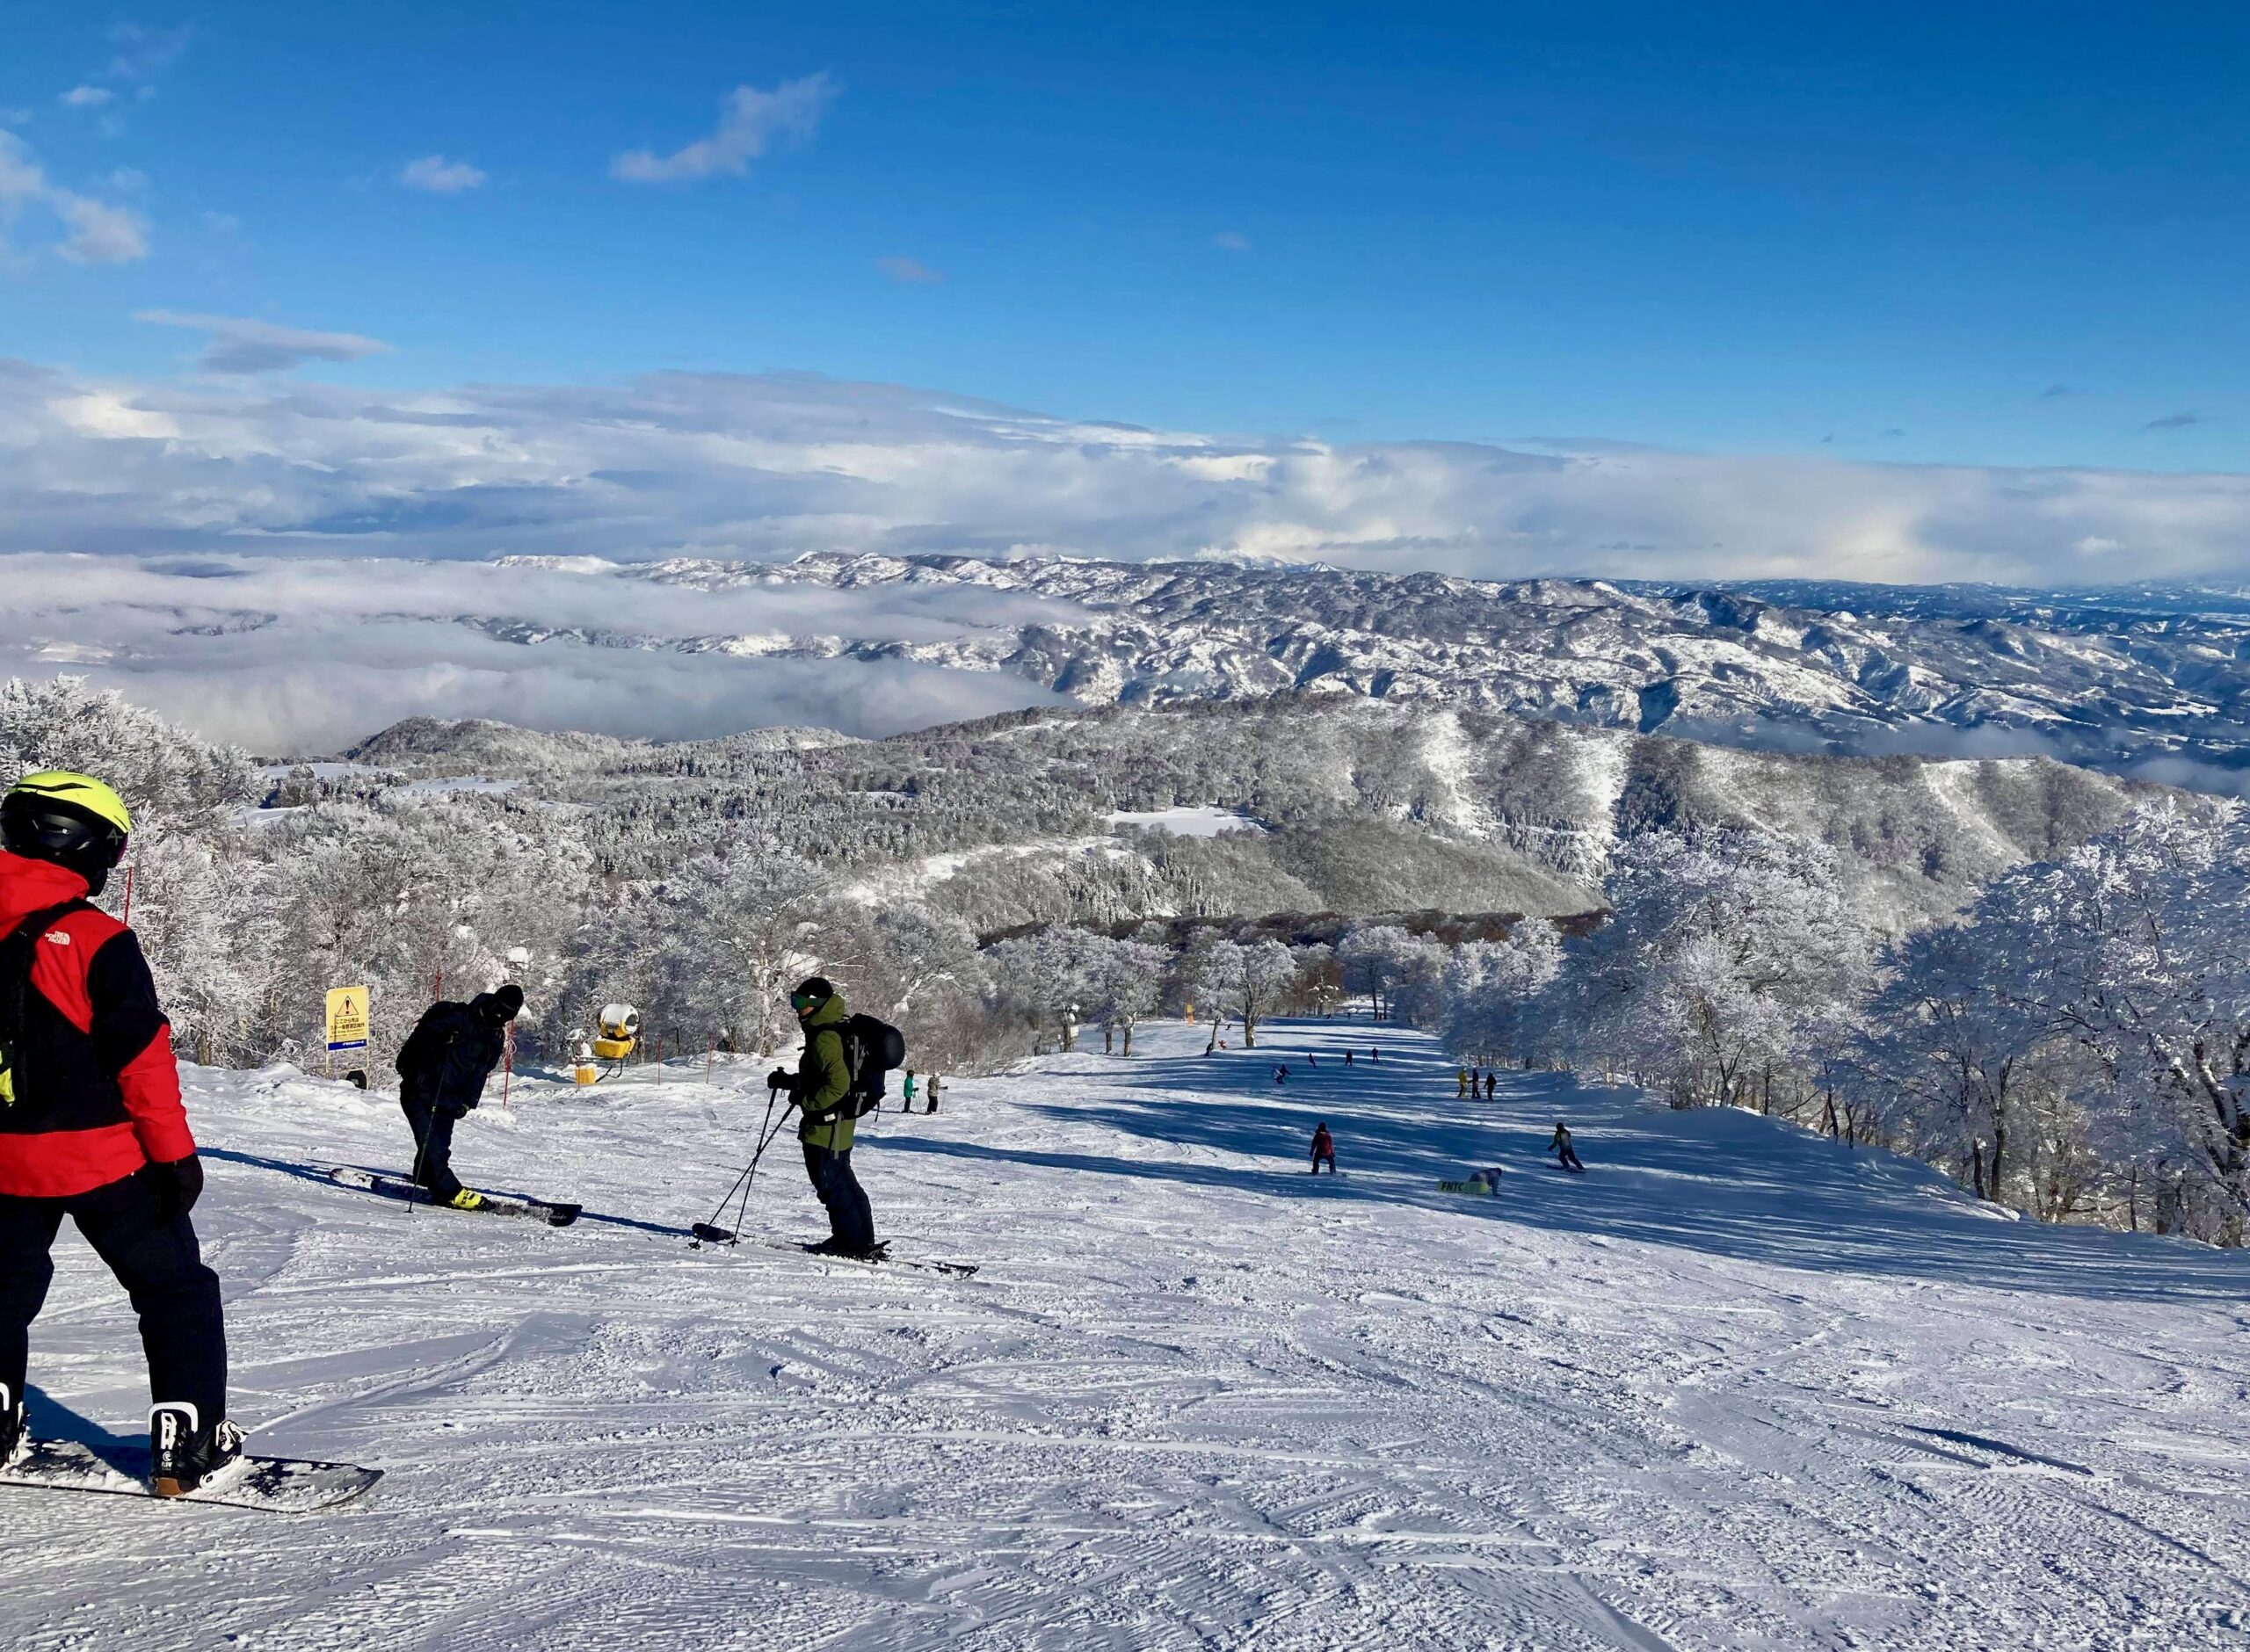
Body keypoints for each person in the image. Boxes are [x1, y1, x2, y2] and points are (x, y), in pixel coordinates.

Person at [0, 772, 238, 1496]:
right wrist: (174, 1156)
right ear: (95, 848)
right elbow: (140, 1060)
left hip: (4, 1165)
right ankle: (186, 1441)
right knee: (175, 1291)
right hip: (105, 1160)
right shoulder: (97, 939)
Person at [767, 976, 877, 1258]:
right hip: (838, 1124)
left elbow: (837, 1084)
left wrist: (805, 1100)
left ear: (816, 1005)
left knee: (832, 1185)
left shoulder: (824, 1038)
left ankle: (850, 1242)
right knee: (844, 1182)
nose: (797, 1008)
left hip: (827, 1126)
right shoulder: (830, 1030)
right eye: (795, 1000)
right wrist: (790, 1082)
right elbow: (821, 1076)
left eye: (801, 1003)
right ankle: (860, 1239)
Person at [395, 983, 524, 1210]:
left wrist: (468, 1102)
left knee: (440, 1147)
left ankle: (424, 1177)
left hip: (450, 1099)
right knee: (431, 1143)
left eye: (509, 1014)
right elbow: (420, 1039)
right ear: (493, 1002)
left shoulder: (495, 1034)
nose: (501, 1017)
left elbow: (482, 1071)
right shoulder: (459, 1018)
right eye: (501, 1010)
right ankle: (450, 1191)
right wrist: (415, 1072)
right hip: (420, 1092)